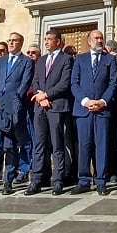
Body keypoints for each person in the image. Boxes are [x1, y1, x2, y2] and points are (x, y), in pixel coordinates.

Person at [0, 33, 33, 195]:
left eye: (14, 40)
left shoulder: (27, 62)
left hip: (12, 109)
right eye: (9, 40)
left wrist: (10, 102)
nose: (10, 43)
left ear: (21, 43)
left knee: (10, 146)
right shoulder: (0, 61)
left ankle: (8, 181)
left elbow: (24, 85)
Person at [71, 29, 117, 195]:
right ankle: (83, 180)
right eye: (96, 38)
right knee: (84, 146)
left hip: (102, 110)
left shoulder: (109, 60)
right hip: (83, 110)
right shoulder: (79, 59)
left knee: (101, 146)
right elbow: (74, 83)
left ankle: (101, 180)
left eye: (101, 38)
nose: (99, 40)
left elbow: (113, 83)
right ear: (89, 41)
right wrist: (86, 101)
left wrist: (102, 101)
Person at [27, 29, 73, 195]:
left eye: (49, 39)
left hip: (57, 106)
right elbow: (36, 80)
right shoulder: (41, 61)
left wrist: (47, 95)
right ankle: (36, 179)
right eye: (45, 39)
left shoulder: (67, 59)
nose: (46, 42)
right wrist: (40, 96)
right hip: (40, 106)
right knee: (39, 144)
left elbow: (65, 82)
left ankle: (58, 178)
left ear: (58, 42)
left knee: (57, 143)